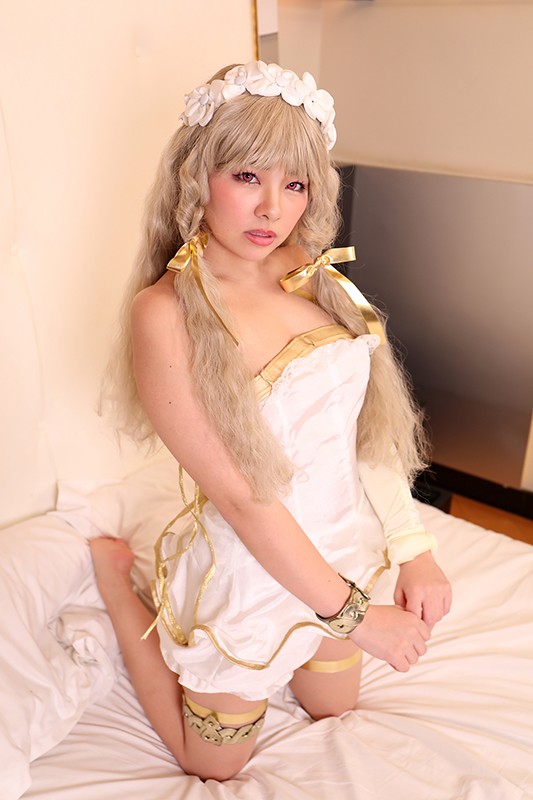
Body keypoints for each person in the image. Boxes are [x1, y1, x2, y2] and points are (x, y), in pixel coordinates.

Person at [91, 60, 451, 782]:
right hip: (249, 576)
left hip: (338, 555)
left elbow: (359, 433)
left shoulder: (312, 273)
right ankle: (117, 586)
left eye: (295, 184)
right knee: (215, 767)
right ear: (197, 176)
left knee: (333, 708)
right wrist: (359, 618)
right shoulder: (164, 313)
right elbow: (242, 499)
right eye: (247, 177)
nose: (271, 210)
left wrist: (412, 548)